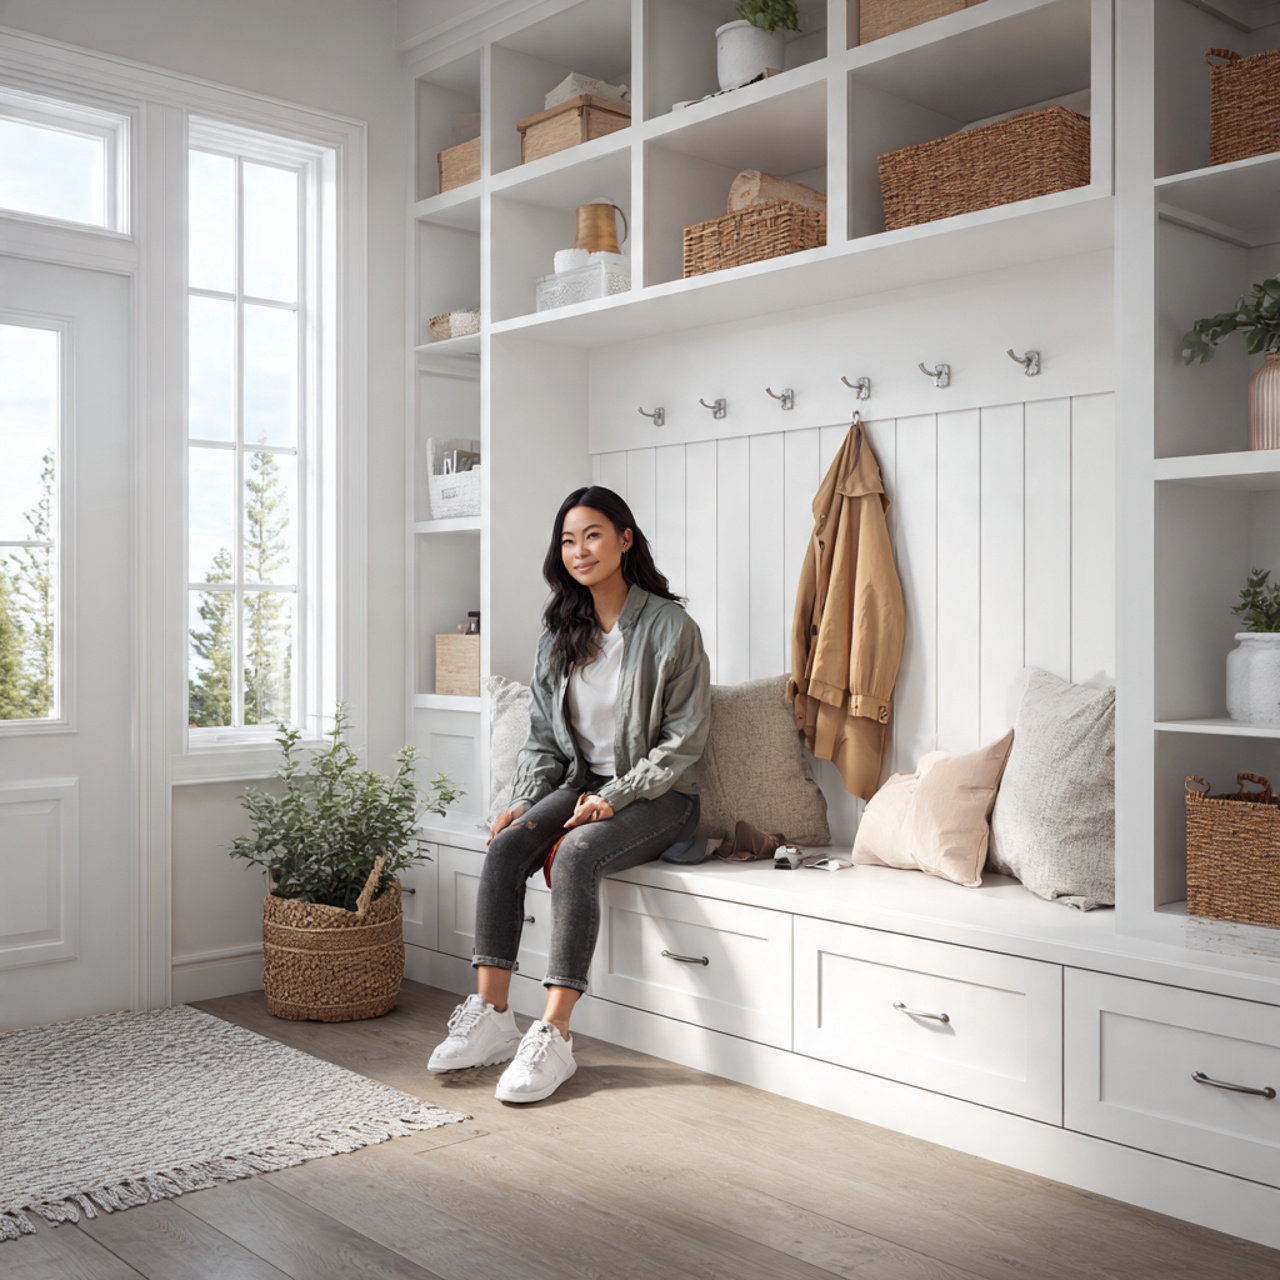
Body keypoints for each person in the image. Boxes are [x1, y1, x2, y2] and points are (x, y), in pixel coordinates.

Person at [428, 486, 711, 1103]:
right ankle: (493, 1016)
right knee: (506, 847)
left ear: (624, 540)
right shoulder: (560, 630)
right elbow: (543, 740)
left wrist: (619, 795)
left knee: (578, 855)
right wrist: (526, 801)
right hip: (581, 784)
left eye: (592, 535)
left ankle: (553, 1036)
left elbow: (683, 740)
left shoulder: (670, 628)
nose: (579, 550)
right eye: (567, 539)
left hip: (660, 796)